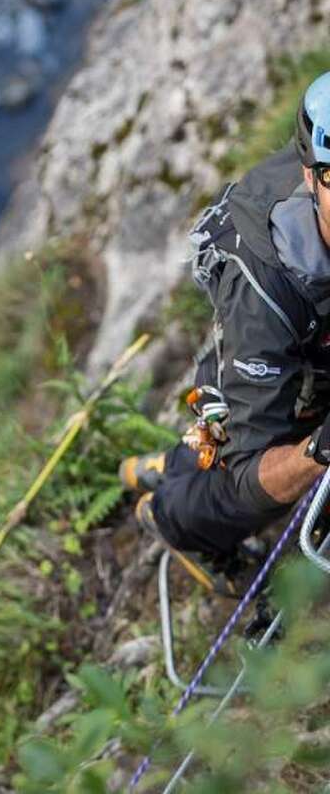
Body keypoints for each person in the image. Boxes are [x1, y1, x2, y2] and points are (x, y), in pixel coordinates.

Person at [119, 71, 330, 596]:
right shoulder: (268, 284)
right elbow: (252, 471)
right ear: (311, 175)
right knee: (251, 486)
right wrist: (320, 452)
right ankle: (172, 517)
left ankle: (169, 465)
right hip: (275, 366)